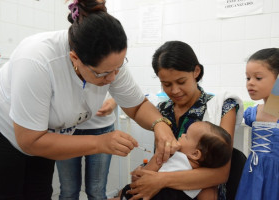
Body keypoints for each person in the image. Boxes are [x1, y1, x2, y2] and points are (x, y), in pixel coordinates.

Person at [0, 1, 176, 199]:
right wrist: (100, 142)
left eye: (118, 69)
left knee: (38, 193)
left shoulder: (109, 61)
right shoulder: (37, 59)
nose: (112, 78)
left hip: (43, 133)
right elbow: (30, 140)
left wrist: (160, 125)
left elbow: (137, 106)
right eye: (102, 74)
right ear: (75, 58)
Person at [126, 41, 244, 200]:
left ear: (196, 71)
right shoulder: (162, 111)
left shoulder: (223, 107)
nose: (174, 90)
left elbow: (220, 173)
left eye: (181, 82)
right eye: (166, 84)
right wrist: (145, 174)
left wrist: (161, 180)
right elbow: (161, 160)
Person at [119, 121, 232, 200]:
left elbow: (144, 177)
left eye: (186, 136)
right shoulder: (202, 180)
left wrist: (160, 154)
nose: (181, 135)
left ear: (195, 154)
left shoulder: (177, 157)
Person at [235, 48, 279, 200]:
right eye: (248, 78)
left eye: (258, 78)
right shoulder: (252, 114)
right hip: (253, 174)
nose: (250, 84)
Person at [57, 95, 117, 200]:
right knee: (68, 191)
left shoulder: (113, 78)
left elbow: (119, 89)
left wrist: (113, 101)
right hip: (66, 128)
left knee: (97, 192)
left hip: (101, 127)